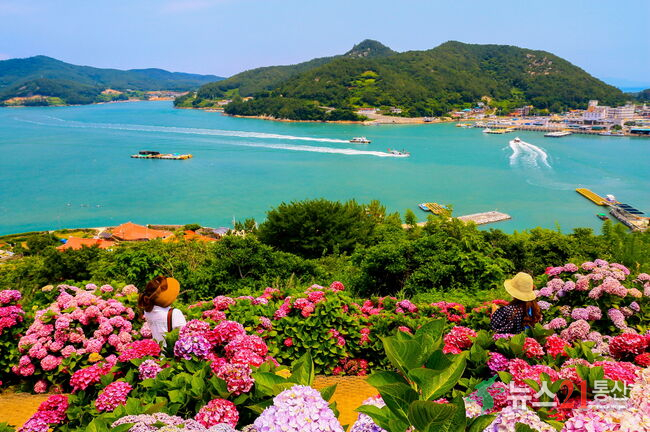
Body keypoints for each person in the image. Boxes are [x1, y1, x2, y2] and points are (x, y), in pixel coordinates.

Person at [138, 276, 187, 343]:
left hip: (156, 348)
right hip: (170, 349)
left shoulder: (147, 311)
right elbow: (185, 337)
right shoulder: (174, 313)